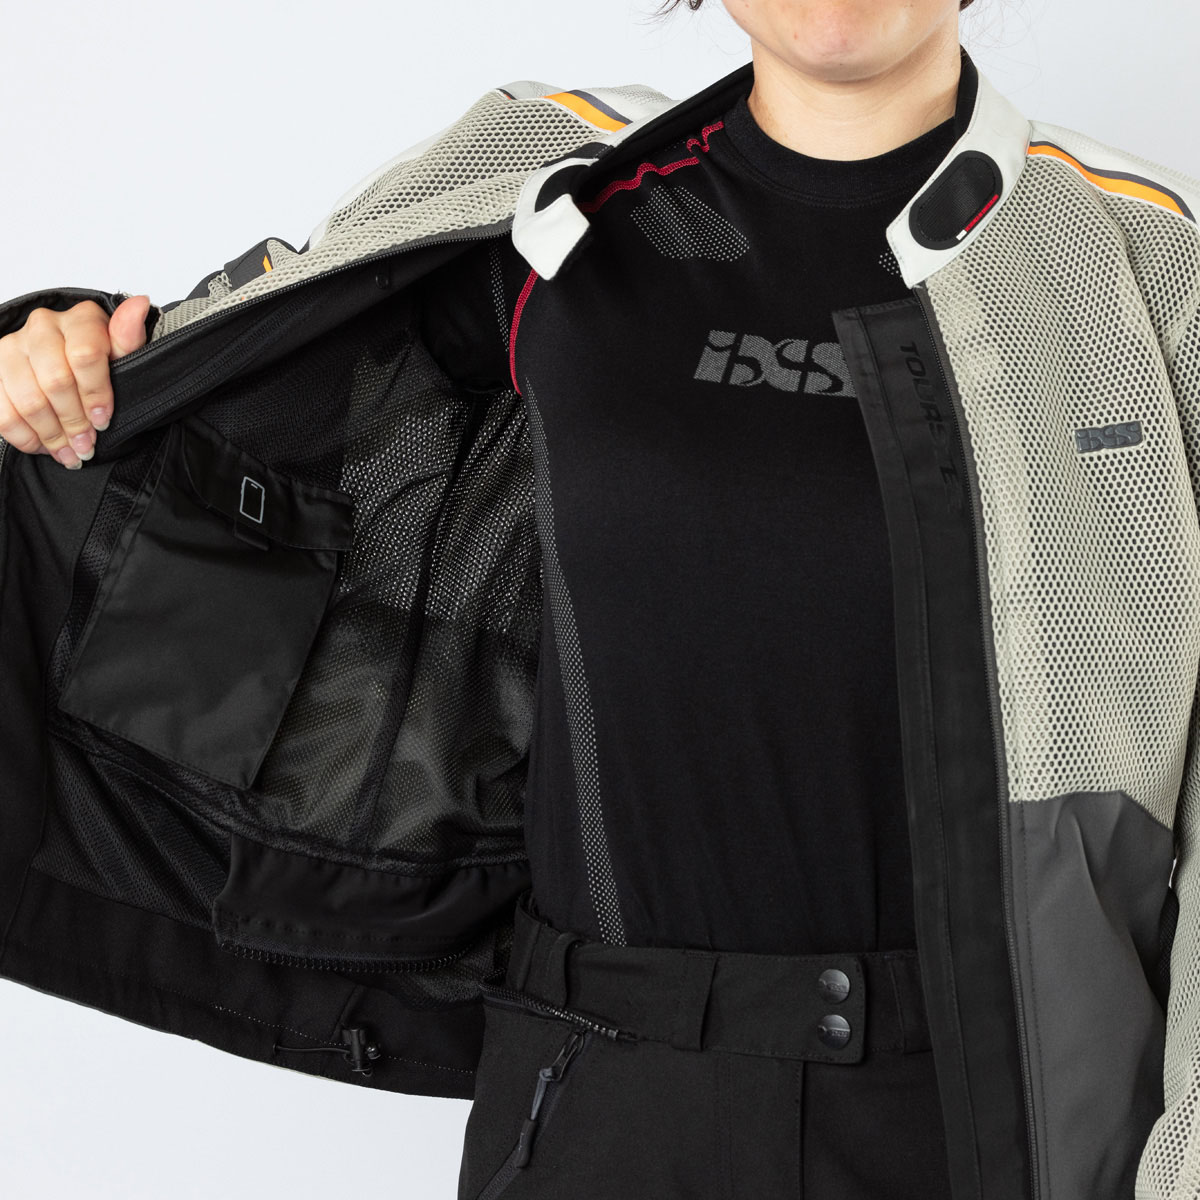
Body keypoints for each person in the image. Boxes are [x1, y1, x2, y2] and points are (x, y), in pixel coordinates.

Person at [0, 3, 1195, 1198]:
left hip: (980, 1116)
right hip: (595, 1101)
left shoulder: (1139, 276)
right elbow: (248, 388)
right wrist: (52, 363)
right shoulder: (552, 198)